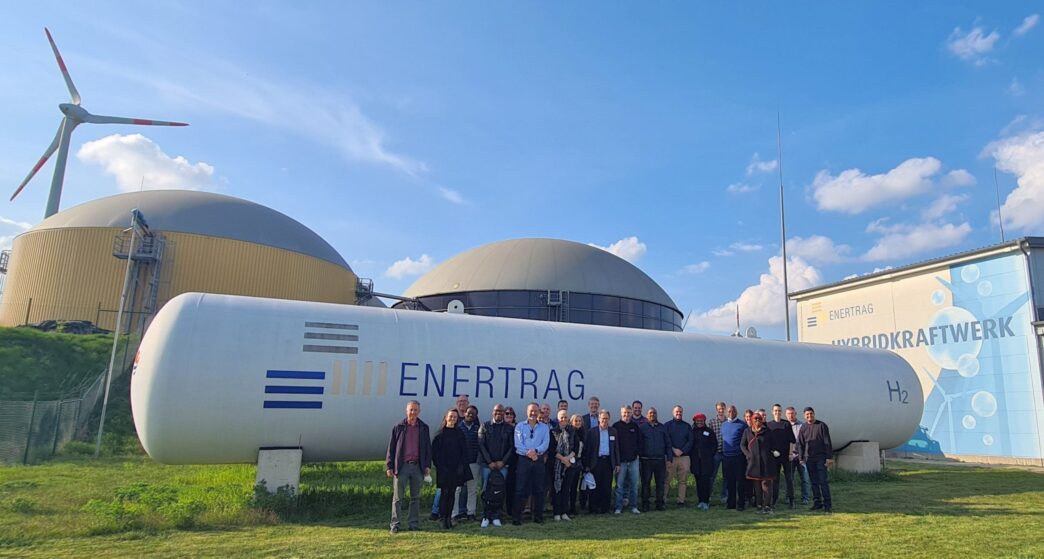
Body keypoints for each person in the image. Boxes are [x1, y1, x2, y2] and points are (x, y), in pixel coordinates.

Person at [386, 400, 432, 534]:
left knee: (415, 497)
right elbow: (392, 448)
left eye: (415, 410)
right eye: (411, 410)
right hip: (402, 467)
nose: (413, 412)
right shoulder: (398, 427)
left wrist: (428, 465)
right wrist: (389, 466)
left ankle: (413, 524)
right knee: (398, 498)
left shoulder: (424, 427)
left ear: (419, 411)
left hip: (418, 467)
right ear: (406, 411)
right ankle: (395, 524)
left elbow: (428, 449)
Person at [431, 394, 471, 521]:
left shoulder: (460, 434)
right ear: (446, 418)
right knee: (444, 493)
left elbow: (463, 452)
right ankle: (443, 517)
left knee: (453, 494)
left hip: (455, 470)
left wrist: (461, 467)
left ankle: (449, 517)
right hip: (444, 470)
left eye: (454, 417)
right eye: (450, 417)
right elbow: (435, 454)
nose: (453, 419)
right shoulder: (439, 435)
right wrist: (441, 468)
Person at [512, 403, 550, 525]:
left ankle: (538, 516)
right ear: (527, 412)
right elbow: (518, 444)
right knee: (520, 489)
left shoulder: (544, 427)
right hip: (524, 459)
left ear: (539, 412)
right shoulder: (519, 426)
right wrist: (529, 453)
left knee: (539, 489)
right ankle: (517, 517)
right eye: (531, 411)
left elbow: (545, 443)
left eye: (535, 411)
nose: (533, 413)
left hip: (538, 459)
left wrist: (536, 452)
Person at [478, 404, 514, 527]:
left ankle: (497, 516)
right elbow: (481, 445)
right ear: (492, 412)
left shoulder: (509, 428)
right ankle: (485, 516)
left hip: (502, 466)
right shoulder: (485, 426)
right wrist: (490, 462)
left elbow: (511, 447)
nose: (498, 413)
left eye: (501, 411)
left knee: (500, 491)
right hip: (487, 465)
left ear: (504, 413)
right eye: (496, 411)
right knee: (485, 490)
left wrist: (503, 462)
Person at [798, 407, 833, 513]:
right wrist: (801, 458)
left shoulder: (822, 426)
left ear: (814, 414)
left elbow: (827, 442)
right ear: (804, 416)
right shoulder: (803, 427)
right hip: (809, 458)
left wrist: (829, 457)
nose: (809, 416)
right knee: (813, 483)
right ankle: (817, 503)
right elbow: (800, 444)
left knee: (823, 481)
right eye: (807, 414)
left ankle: (827, 504)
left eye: (811, 414)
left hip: (821, 458)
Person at [583, 409, 619, 514]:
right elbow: (588, 449)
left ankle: (605, 508)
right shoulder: (592, 431)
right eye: (603, 418)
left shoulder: (613, 431)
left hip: (608, 462)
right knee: (594, 486)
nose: (605, 420)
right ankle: (593, 508)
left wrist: (617, 463)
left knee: (607, 486)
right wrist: (587, 465)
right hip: (596, 462)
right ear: (599, 419)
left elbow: (616, 448)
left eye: (606, 418)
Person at [741, 412, 777, 514]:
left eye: (759, 419)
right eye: (755, 419)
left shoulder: (768, 431)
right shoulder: (747, 431)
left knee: (766, 484)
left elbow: (773, 444)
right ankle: (759, 504)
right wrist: (748, 455)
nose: (757, 421)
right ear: (752, 420)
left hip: (767, 462)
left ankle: (767, 506)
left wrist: (773, 452)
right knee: (756, 484)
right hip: (754, 462)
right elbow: (742, 445)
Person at [638, 407, 670, 511]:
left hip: (660, 460)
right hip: (646, 460)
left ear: (657, 415)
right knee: (646, 483)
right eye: (650, 413)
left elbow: (668, 443)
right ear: (647, 415)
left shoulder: (662, 427)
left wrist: (669, 458)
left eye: (654, 413)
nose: (652, 415)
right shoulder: (642, 427)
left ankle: (659, 504)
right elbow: (638, 443)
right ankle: (645, 504)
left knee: (660, 483)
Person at [552, 412, 583, 521]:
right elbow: (552, 449)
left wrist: (568, 458)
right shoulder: (553, 431)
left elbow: (576, 448)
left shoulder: (572, 431)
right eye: (562, 417)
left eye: (565, 417)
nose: (563, 419)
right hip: (557, 465)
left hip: (570, 465)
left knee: (566, 489)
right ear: (558, 418)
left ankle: (564, 512)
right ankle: (556, 513)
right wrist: (563, 459)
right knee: (557, 489)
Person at [766, 403, 796, 509]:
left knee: (789, 479)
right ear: (772, 412)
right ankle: (774, 500)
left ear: (781, 412)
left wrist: (790, 453)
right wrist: (771, 452)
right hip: (774, 457)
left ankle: (791, 500)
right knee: (775, 480)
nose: (777, 412)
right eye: (775, 410)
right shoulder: (768, 425)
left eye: (779, 410)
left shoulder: (786, 424)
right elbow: (767, 442)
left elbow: (792, 441)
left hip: (786, 456)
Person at [612, 405, 642, 514]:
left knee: (634, 485)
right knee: (619, 486)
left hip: (633, 461)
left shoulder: (635, 426)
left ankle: (633, 506)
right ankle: (618, 507)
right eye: (625, 412)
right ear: (621, 413)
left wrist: (637, 453)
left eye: (628, 412)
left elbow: (640, 442)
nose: (627, 415)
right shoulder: (616, 426)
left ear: (631, 413)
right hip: (621, 462)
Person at [455, 404, 481, 521]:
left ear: (476, 416)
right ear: (464, 413)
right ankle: (454, 513)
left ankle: (471, 512)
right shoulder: (458, 427)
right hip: (460, 463)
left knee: (472, 489)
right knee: (457, 489)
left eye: (473, 414)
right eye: (468, 412)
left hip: (473, 462)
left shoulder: (478, 428)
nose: (470, 415)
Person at [720, 404, 747, 511]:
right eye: (729, 411)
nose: (731, 413)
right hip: (726, 457)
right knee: (729, 481)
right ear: (726, 413)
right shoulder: (724, 425)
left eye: (733, 411)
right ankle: (730, 503)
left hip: (738, 457)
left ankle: (741, 503)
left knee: (740, 481)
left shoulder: (742, 425)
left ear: (736, 412)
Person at [664, 405, 692, 507]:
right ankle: (663, 499)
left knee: (683, 481)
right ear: (673, 412)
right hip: (671, 457)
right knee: (666, 480)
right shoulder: (667, 425)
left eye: (680, 412)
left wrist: (682, 450)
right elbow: (666, 440)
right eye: (677, 412)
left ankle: (681, 501)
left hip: (684, 457)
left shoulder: (687, 426)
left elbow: (690, 441)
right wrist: (673, 449)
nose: (678, 413)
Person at [689, 413, 717, 511]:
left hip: (707, 462)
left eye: (701, 421)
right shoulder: (692, 432)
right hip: (696, 461)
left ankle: (706, 501)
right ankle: (700, 501)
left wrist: (709, 455)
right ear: (695, 421)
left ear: (704, 421)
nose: (699, 422)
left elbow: (714, 445)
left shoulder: (709, 431)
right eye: (698, 421)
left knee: (706, 482)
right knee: (698, 482)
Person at [578, 396, 601, 511]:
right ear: (589, 405)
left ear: (598, 406)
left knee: (595, 479)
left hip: (597, 453)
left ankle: (594, 504)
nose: (594, 406)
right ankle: (582, 503)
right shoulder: (583, 419)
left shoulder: (601, 418)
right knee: (584, 480)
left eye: (596, 404)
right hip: (586, 453)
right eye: (592, 404)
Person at [786, 406, 811, 505]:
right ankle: (789, 497)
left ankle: (805, 498)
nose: (790, 415)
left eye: (792, 413)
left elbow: (806, 441)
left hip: (801, 456)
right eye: (788, 414)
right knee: (790, 479)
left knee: (804, 479)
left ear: (795, 414)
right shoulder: (785, 426)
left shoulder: (802, 426)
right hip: (790, 456)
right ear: (786, 415)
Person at [707, 401, 727, 504]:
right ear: (716, 409)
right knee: (712, 475)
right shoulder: (712, 422)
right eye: (719, 409)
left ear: (725, 409)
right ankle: (708, 495)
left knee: (726, 476)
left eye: (722, 408)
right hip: (716, 452)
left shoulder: (729, 421)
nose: (721, 410)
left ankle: (724, 496)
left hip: (727, 452)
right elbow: (709, 437)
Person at [503, 406, 519, 515]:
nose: (509, 416)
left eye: (511, 414)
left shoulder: (518, 427)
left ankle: (510, 509)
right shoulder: (500, 427)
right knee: (499, 486)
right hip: (502, 461)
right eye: (507, 414)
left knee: (512, 486)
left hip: (515, 461)